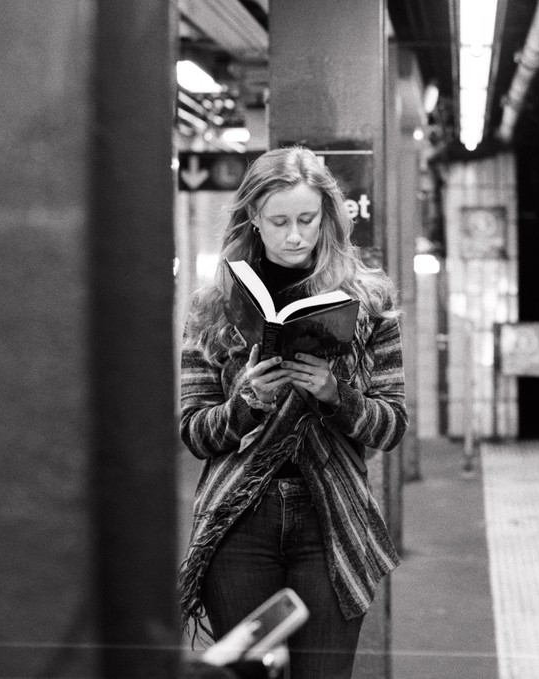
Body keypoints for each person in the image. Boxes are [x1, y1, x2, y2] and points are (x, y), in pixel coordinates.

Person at [177, 146, 408, 679]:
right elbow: (195, 432)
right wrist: (244, 404)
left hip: (331, 514)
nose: (295, 236)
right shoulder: (212, 307)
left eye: (307, 219)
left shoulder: (369, 304)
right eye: (278, 221)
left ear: (329, 216)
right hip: (239, 518)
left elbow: (392, 424)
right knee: (248, 676)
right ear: (253, 219)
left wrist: (336, 396)